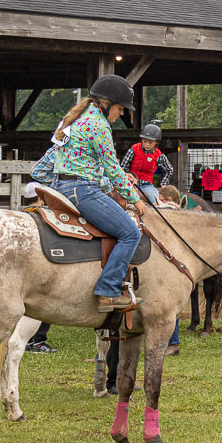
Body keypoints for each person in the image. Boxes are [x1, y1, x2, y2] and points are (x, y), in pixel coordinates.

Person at [47, 75, 146, 312]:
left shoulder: (73, 119)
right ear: (105, 102)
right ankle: (108, 290)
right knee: (130, 233)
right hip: (83, 190)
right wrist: (134, 198)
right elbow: (112, 168)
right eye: (120, 108)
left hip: (60, 187)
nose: (121, 114)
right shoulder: (98, 125)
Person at [121, 123, 175, 205]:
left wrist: (163, 184)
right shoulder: (133, 150)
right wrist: (127, 178)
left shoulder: (159, 156)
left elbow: (169, 169)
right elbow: (123, 167)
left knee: (158, 203)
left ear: (156, 142)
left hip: (147, 185)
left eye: (150, 142)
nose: (146, 144)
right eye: (144, 141)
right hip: (130, 183)